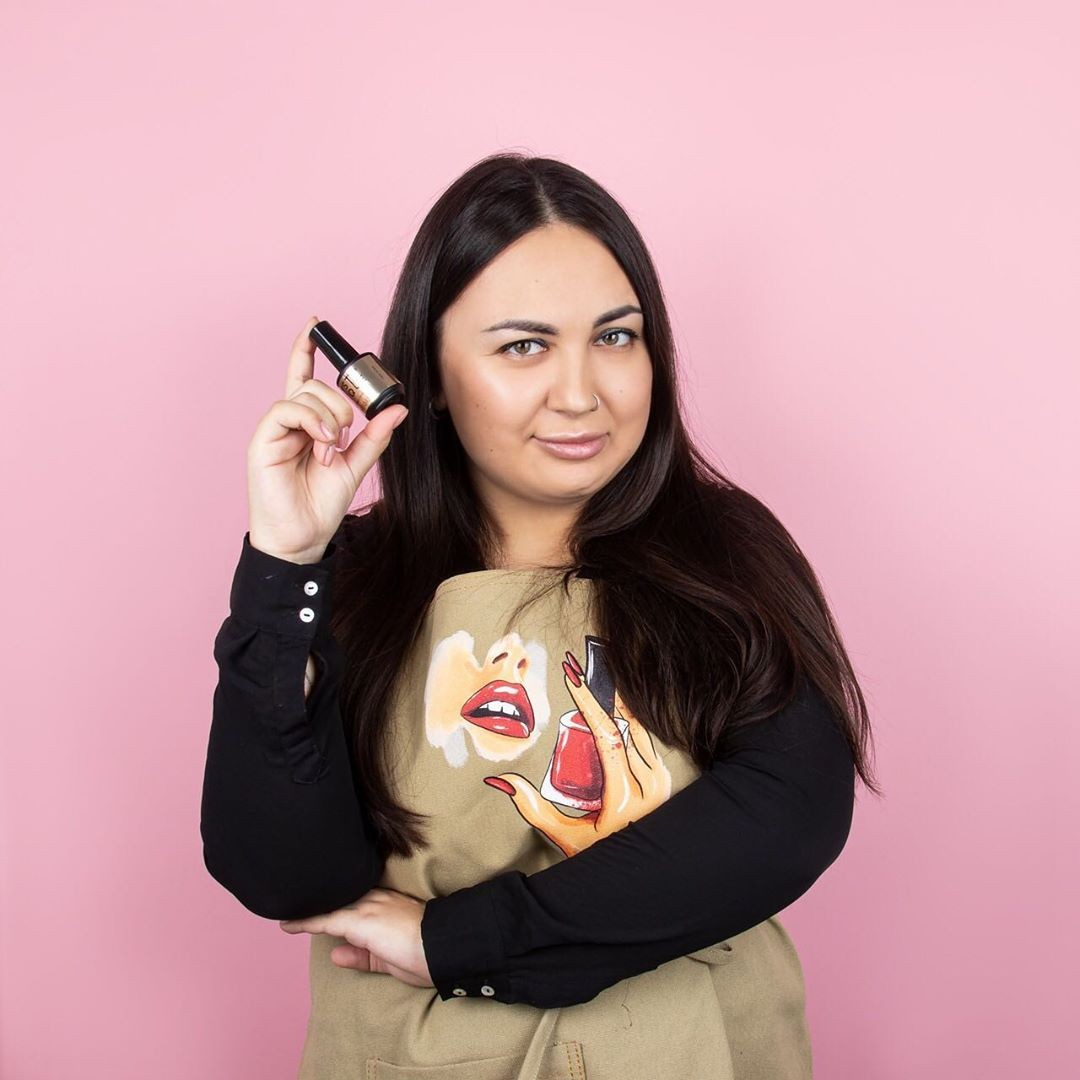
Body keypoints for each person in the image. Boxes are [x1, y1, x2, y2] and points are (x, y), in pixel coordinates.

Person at [200, 153, 881, 1080]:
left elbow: (789, 811)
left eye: (616, 337)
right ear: (429, 376)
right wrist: (285, 566)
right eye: (524, 347)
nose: (581, 393)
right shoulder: (354, 575)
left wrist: (461, 941)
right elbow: (284, 873)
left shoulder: (723, 548)